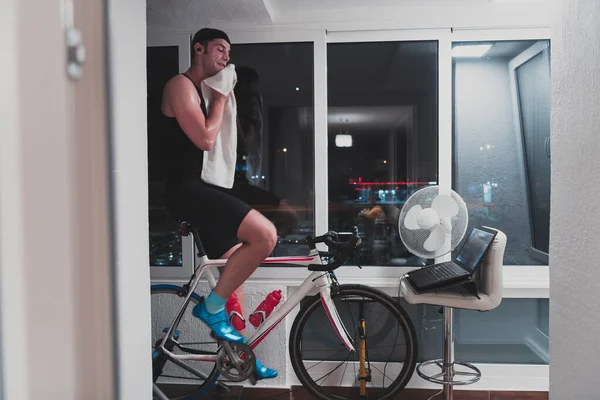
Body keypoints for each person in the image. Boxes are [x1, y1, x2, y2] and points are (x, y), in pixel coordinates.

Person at [160, 27, 278, 379]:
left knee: (233, 279)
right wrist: (222, 99)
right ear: (199, 49)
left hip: (200, 187)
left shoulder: (203, 92)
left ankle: (240, 359)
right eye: (219, 49)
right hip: (185, 190)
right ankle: (209, 310)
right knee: (265, 236)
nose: (226, 57)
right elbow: (206, 139)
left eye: (229, 52)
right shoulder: (180, 85)